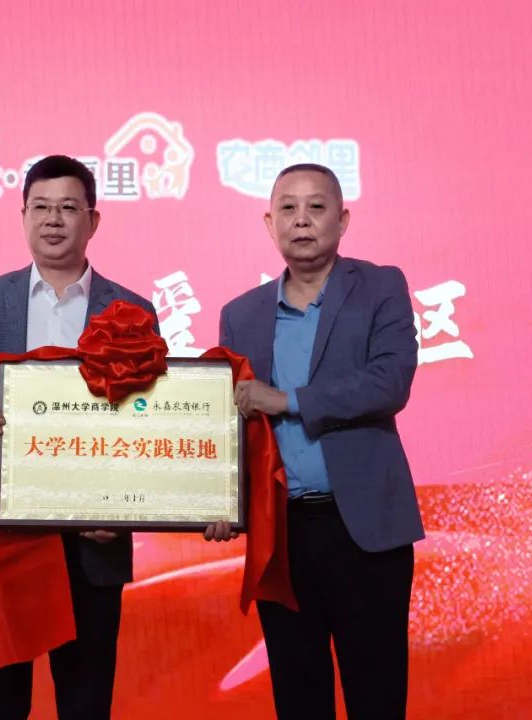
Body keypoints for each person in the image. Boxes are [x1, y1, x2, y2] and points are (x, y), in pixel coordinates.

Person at [0, 155, 157, 720]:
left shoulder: (131, 310)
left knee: (85, 702)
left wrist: (126, 510)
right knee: (0, 702)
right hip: (3, 530)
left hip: (93, 536)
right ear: (23, 216)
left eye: (68, 208)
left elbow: (149, 422)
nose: (53, 220)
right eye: (41, 207)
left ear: (93, 221)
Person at [211, 163, 424, 719]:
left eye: (316, 207)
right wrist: (220, 502)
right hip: (282, 535)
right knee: (298, 697)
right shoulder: (241, 315)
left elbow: (389, 382)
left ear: (343, 220)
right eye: (287, 208)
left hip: (366, 531)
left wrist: (288, 399)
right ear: (269, 223)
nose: (301, 220)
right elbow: (232, 423)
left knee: (376, 696)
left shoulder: (380, 287)